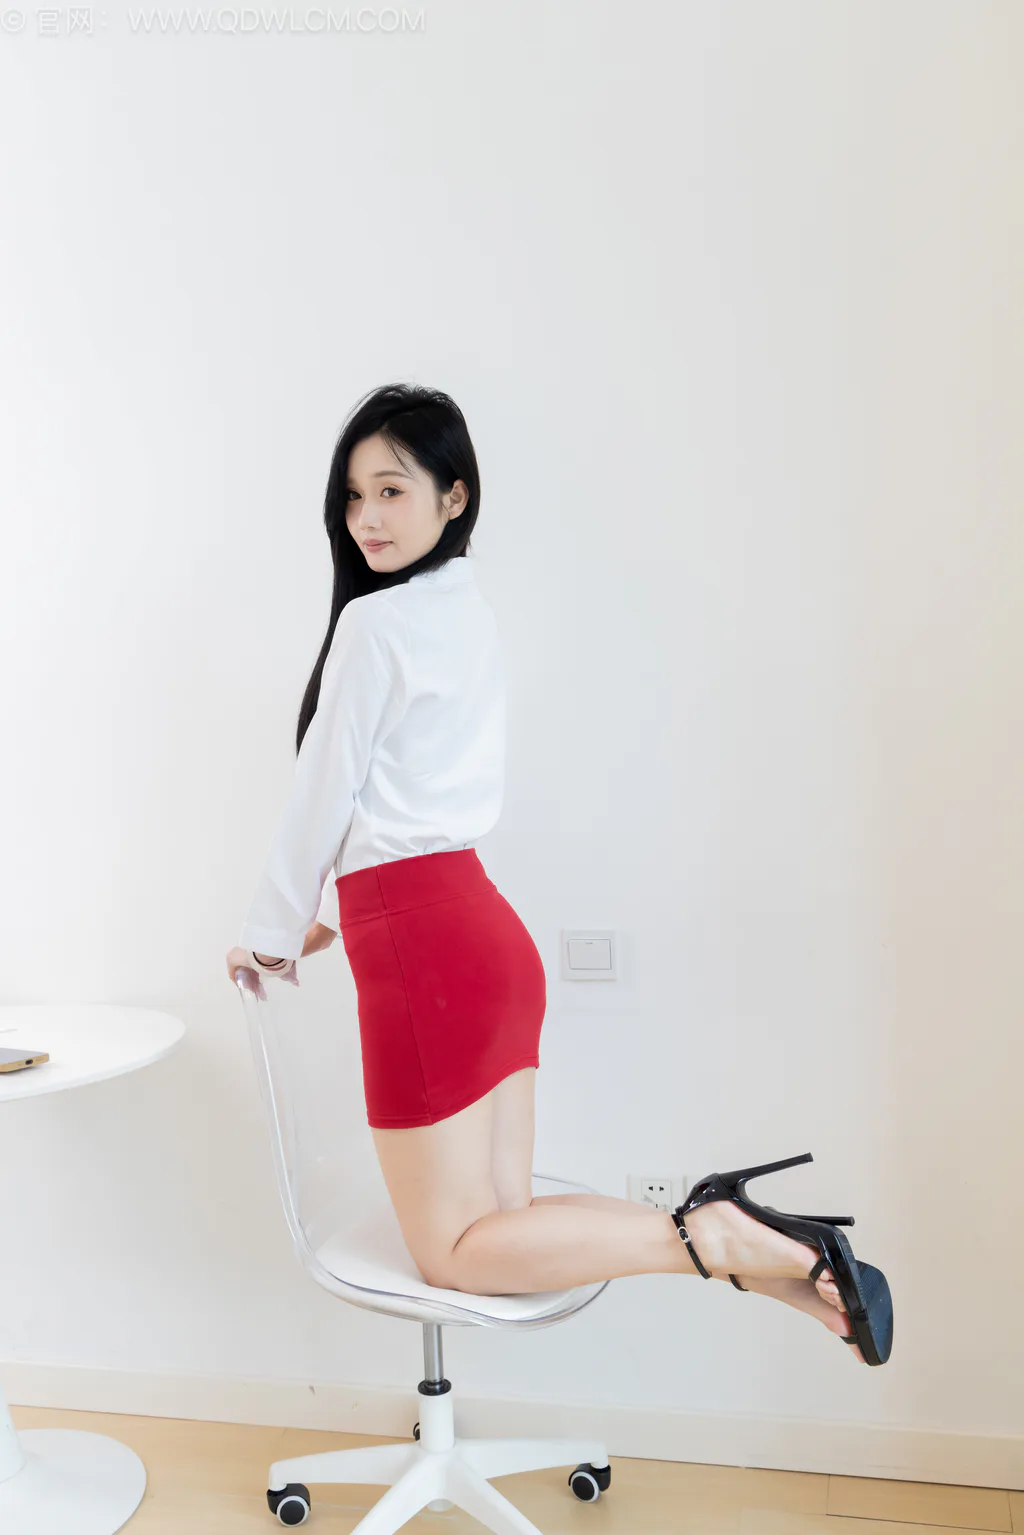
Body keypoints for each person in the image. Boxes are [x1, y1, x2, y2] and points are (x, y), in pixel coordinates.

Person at [225, 382, 892, 1368]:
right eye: (353, 496)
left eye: (392, 490)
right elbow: (406, 793)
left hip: (421, 950)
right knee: (504, 1223)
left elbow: (325, 793)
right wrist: (331, 908)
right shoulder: (468, 613)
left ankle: (711, 1234)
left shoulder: (373, 624)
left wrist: (273, 934)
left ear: (455, 495)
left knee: (455, 1252)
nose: (367, 516)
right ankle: (768, 1263)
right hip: (485, 934)